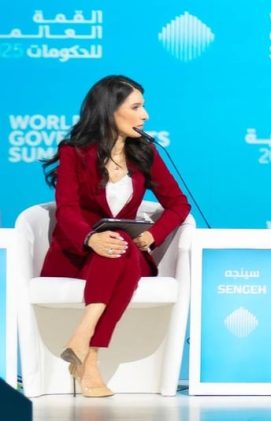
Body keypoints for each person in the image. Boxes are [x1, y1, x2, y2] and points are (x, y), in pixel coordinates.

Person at [40, 75, 191, 397]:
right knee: (117, 247)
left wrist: (152, 235)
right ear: (110, 110)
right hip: (77, 255)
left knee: (120, 246)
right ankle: (90, 356)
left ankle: (84, 341)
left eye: (143, 107)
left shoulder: (145, 152)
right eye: (136, 107)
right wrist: (90, 238)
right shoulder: (74, 151)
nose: (145, 115)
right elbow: (67, 210)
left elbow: (179, 204)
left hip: (127, 251)